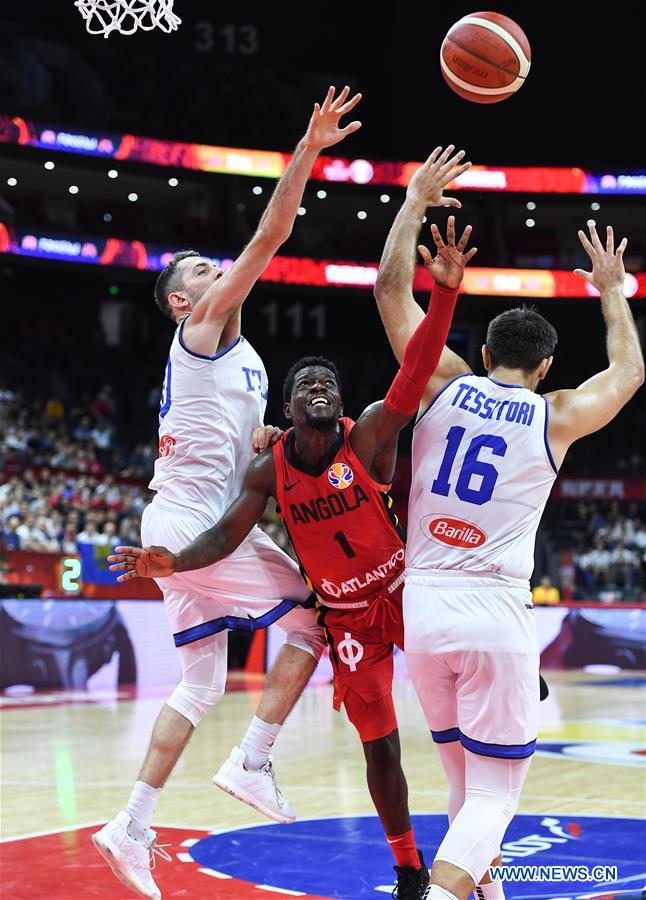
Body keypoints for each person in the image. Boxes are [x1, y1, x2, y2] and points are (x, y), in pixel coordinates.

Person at [108, 204, 475, 899]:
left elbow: (414, 372)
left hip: (399, 591)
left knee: (460, 700)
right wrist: (175, 559)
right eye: (306, 383)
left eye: (327, 382)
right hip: (327, 606)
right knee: (375, 737)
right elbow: (225, 534)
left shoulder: (361, 434)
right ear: (289, 409)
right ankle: (402, 863)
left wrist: (446, 292)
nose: (318, 387)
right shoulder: (264, 458)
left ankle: (146, 816)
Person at [92, 86, 363, 900]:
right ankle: (253, 760)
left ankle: (130, 825)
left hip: (182, 516)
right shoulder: (201, 328)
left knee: (201, 683)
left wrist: (268, 438)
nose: (220, 272)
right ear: (183, 301)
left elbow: (229, 438)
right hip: (194, 525)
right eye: (204, 273)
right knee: (316, 617)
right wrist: (308, 150)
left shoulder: (239, 359)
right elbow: (271, 234)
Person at [374, 147, 644, 900]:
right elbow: (629, 372)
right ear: (546, 367)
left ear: (485, 351)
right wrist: (612, 291)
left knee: (464, 785)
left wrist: (414, 201)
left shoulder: (442, 382)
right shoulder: (556, 415)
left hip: (424, 610)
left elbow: (390, 290)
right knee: (495, 795)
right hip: (494, 610)